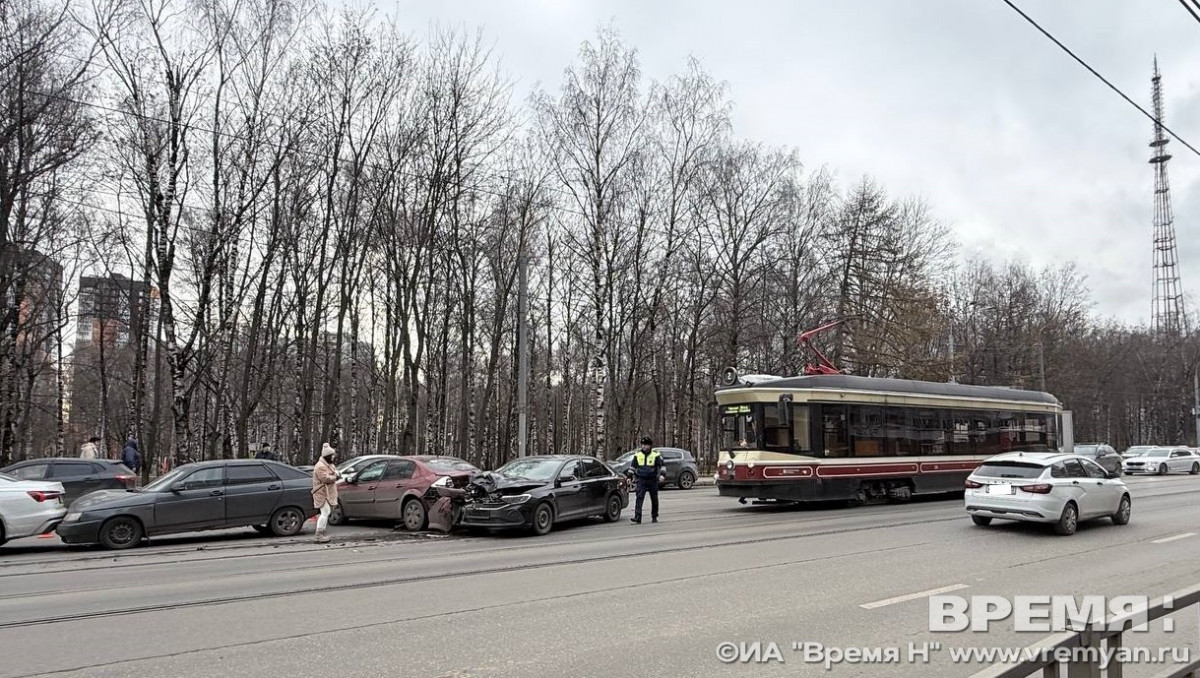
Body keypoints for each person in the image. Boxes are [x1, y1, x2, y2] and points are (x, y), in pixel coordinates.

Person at [630, 436, 665, 524]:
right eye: (642, 445)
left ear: (650, 445)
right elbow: (632, 467)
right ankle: (637, 517)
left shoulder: (655, 454)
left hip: (652, 480)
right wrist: (629, 476)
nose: (643, 447)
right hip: (641, 479)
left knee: (654, 499)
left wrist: (662, 475)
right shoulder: (638, 455)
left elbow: (662, 465)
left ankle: (654, 516)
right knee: (639, 498)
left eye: (645, 445)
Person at [311, 443, 341, 543]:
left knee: (326, 512)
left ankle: (322, 532)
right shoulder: (320, 466)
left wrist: (336, 474)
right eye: (332, 455)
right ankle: (318, 534)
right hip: (322, 493)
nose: (333, 457)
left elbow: (333, 472)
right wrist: (335, 477)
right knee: (325, 512)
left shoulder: (328, 465)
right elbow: (325, 478)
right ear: (327, 456)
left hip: (327, 493)